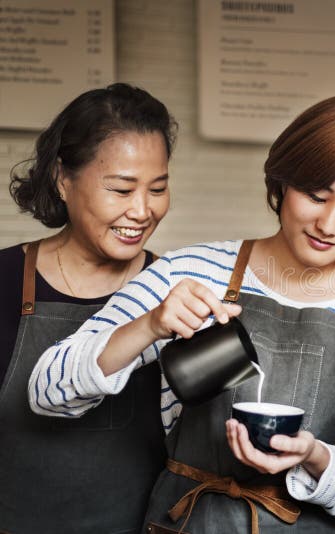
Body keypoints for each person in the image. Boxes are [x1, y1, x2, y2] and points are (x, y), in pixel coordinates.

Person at [30, 94, 335, 533]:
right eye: (315, 196)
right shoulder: (190, 272)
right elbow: (48, 392)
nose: (329, 225)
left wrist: (315, 458)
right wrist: (151, 325)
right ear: (283, 181)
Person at [0, 83, 176, 533]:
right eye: (121, 189)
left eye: (157, 188)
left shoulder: (173, 293)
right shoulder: (5, 279)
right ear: (63, 178)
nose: (142, 210)